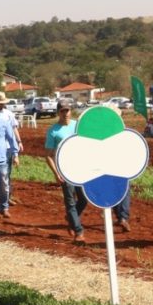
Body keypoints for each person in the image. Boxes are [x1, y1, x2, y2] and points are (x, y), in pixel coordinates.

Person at [46, 98, 88, 241]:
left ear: (71, 111)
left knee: (83, 199)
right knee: (70, 201)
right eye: (62, 111)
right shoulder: (53, 131)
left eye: (67, 110)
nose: (65, 113)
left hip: (80, 168)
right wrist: (56, 173)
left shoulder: (78, 126)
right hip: (64, 170)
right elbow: (48, 155)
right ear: (58, 112)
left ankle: (71, 218)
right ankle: (78, 231)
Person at [0, 91, 23, 204]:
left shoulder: (9, 114)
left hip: (8, 147)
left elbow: (14, 128)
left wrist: (19, 141)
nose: (0, 104)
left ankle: (7, 197)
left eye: (2, 103)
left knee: (7, 173)